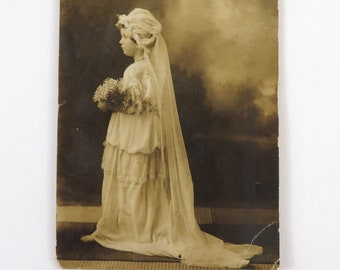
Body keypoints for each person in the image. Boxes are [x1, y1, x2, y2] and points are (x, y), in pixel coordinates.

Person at [81, 8, 262, 268]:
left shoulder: (135, 71)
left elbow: (134, 104)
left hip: (134, 133)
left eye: (125, 38)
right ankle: (141, 226)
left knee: (133, 177)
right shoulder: (151, 69)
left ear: (139, 42)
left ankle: (133, 230)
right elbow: (149, 102)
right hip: (147, 132)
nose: (120, 42)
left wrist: (108, 101)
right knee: (143, 179)